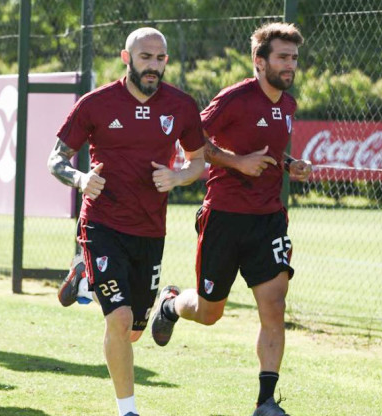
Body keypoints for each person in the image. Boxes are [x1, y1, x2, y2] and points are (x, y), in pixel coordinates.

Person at [149, 22, 312, 416]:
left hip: (268, 220)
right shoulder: (234, 99)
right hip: (223, 217)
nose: (290, 66)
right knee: (209, 313)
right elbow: (191, 140)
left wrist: (290, 165)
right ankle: (171, 304)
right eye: (282, 58)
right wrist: (237, 162)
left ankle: (266, 402)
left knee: (274, 304)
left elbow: (268, 150)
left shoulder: (287, 104)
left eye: (293, 58)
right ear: (259, 61)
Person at [47, 27, 206, 416]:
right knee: (117, 320)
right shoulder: (95, 103)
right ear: (126, 58)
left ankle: (84, 275)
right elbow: (55, 160)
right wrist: (81, 179)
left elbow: (198, 161)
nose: (153, 66)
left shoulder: (181, 106)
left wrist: (178, 177)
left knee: (134, 331)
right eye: (145, 57)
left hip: (150, 229)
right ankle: (128, 410)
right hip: (102, 223)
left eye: (160, 58)